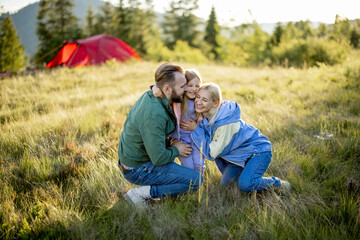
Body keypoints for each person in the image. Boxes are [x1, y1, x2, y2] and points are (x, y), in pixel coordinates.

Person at [118, 63, 203, 207]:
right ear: (167, 89)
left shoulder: (155, 94)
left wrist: (171, 141)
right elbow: (158, 158)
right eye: (183, 87)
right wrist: (177, 150)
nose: (186, 89)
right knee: (196, 180)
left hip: (141, 159)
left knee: (185, 174)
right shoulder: (154, 114)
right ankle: (140, 194)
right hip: (139, 168)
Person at [182, 82, 290, 192]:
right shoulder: (207, 115)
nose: (198, 102)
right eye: (198, 97)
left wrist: (196, 129)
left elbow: (212, 153)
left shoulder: (225, 124)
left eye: (204, 100)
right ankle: (247, 172)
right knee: (226, 186)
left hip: (258, 151)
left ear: (215, 103)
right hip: (238, 157)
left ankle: (278, 184)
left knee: (246, 185)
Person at [153, 69, 204, 172]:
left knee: (199, 165)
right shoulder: (177, 101)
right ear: (182, 86)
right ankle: (190, 184)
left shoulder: (200, 100)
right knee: (188, 166)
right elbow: (161, 87)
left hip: (196, 137)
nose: (194, 89)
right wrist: (155, 88)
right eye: (189, 86)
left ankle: (199, 183)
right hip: (182, 139)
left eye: (197, 86)